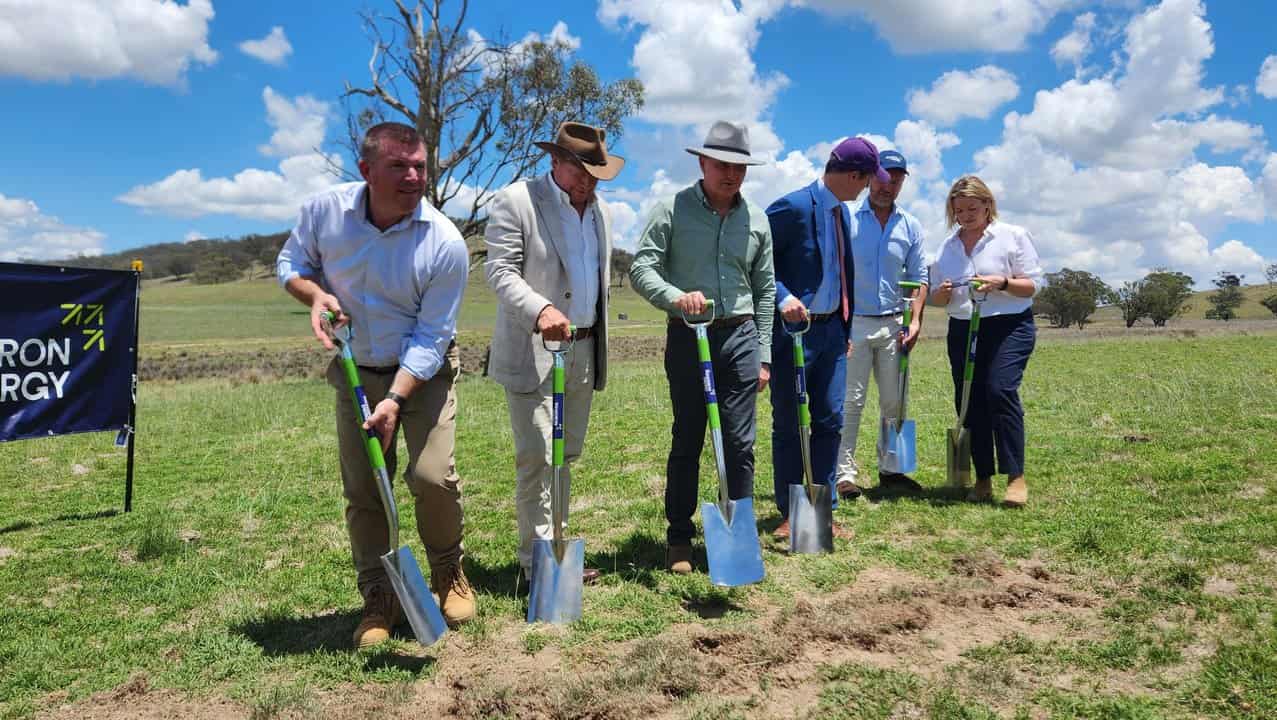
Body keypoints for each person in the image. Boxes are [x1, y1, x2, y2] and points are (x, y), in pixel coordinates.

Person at [276, 122, 474, 648]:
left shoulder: (445, 242)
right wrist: (314, 296)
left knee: (431, 477)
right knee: (366, 488)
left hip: (422, 370)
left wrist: (394, 400)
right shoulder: (325, 213)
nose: (414, 177)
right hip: (355, 366)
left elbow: (433, 336)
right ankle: (379, 598)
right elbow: (290, 263)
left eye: (421, 167)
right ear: (365, 171)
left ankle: (448, 571)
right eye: (398, 166)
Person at [630, 120, 775, 574]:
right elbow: (642, 268)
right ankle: (679, 538)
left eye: (738, 167)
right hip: (688, 334)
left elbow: (765, 288)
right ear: (701, 162)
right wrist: (676, 297)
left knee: (739, 441)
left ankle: (735, 532)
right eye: (721, 165)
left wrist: (765, 354)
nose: (730, 175)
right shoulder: (671, 210)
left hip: (740, 335)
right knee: (689, 435)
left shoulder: (757, 219)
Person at [484, 121, 623, 584]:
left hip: (583, 348)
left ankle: (557, 548)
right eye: (580, 170)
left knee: (566, 454)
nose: (587, 182)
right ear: (555, 162)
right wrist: (541, 308)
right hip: (534, 348)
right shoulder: (517, 202)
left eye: (594, 173)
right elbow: (499, 271)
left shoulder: (600, 213)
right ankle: (535, 564)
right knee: (538, 455)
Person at [766, 137, 890, 539]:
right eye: (868, 180)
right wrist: (783, 298)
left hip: (833, 333)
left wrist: (844, 323)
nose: (869, 189)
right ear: (854, 176)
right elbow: (758, 262)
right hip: (792, 333)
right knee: (789, 421)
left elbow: (841, 273)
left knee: (829, 419)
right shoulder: (794, 207)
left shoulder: (843, 215)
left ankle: (823, 512)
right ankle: (790, 512)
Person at [929, 175, 1043, 507]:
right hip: (963, 327)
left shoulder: (1012, 236)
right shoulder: (947, 247)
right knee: (970, 401)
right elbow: (937, 297)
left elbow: (1034, 285)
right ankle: (981, 477)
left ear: (987, 204)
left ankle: (1015, 477)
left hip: (1009, 326)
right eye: (959, 209)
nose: (965, 215)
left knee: (1000, 390)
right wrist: (942, 293)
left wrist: (1002, 282)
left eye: (972, 208)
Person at [835, 149, 929, 497]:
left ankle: (893, 471)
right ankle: (844, 474)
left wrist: (916, 319)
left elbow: (920, 277)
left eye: (896, 179)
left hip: (895, 324)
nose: (888, 185)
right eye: (882, 177)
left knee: (895, 400)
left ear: (903, 182)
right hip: (853, 324)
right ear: (870, 177)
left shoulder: (911, 226)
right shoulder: (847, 217)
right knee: (851, 400)